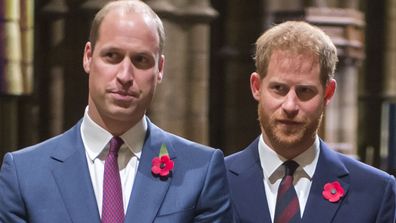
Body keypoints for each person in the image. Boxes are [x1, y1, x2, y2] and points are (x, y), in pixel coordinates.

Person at [0, 1, 232, 222]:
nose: (125, 76)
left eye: (141, 60)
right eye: (112, 56)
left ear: (160, 69)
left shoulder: (200, 171)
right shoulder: (24, 174)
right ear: (88, 57)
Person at [225, 21, 396, 223]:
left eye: (305, 91)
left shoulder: (374, 191)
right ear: (256, 87)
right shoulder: (216, 181)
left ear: (328, 93)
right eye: (279, 88)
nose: (290, 106)